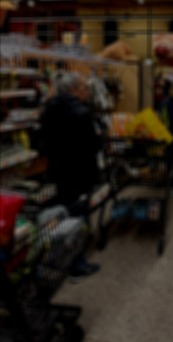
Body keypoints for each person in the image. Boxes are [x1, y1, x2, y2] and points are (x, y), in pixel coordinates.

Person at [40, 72, 101, 281]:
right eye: (84, 88)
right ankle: (77, 264)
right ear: (74, 90)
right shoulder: (81, 113)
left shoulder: (48, 109)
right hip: (79, 174)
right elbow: (92, 146)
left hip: (58, 173)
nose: (86, 92)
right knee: (77, 218)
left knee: (63, 214)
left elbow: (42, 142)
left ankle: (60, 258)